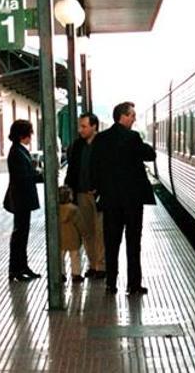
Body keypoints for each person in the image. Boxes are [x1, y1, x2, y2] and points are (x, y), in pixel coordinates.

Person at [90, 102, 156, 296]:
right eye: (132, 115)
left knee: (111, 243)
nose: (134, 118)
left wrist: (99, 190)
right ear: (123, 116)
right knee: (133, 243)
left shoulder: (101, 139)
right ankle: (133, 285)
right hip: (132, 201)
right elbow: (150, 155)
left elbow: (94, 167)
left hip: (110, 201)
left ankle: (111, 283)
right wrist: (141, 143)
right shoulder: (133, 137)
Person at [64, 112, 105, 279]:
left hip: (99, 195)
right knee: (87, 231)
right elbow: (71, 169)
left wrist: (101, 187)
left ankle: (101, 266)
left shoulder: (103, 144)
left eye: (84, 126)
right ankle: (93, 265)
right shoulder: (76, 146)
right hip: (81, 194)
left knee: (100, 231)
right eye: (80, 126)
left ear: (94, 126)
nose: (81, 130)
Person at [4, 119, 43, 282]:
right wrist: (40, 176)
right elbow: (24, 177)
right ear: (22, 134)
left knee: (22, 233)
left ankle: (21, 266)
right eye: (29, 133)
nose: (31, 137)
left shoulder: (19, 150)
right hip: (21, 199)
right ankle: (16, 269)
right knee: (20, 234)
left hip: (21, 199)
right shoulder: (16, 152)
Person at [58, 186, 85, 284]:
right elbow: (80, 224)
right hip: (73, 237)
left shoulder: (56, 210)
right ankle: (76, 274)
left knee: (60, 257)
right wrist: (84, 233)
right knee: (75, 256)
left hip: (60, 237)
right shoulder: (74, 209)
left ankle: (60, 273)